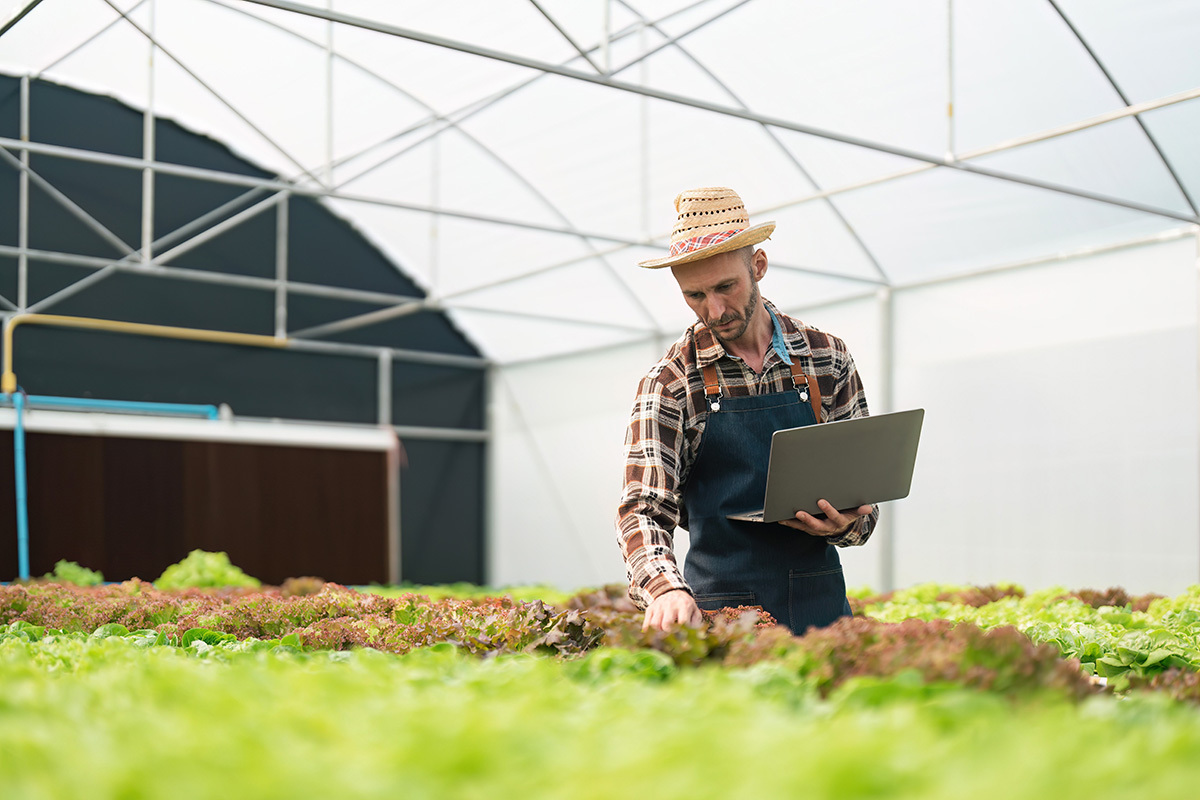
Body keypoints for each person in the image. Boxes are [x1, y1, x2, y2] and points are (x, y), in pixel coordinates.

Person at [616, 186, 878, 636]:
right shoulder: (671, 383)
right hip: (722, 614)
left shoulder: (826, 358)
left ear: (758, 267)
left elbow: (864, 504)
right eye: (694, 295)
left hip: (822, 609)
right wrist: (664, 589)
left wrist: (844, 524)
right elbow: (643, 508)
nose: (714, 311)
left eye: (725, 287)